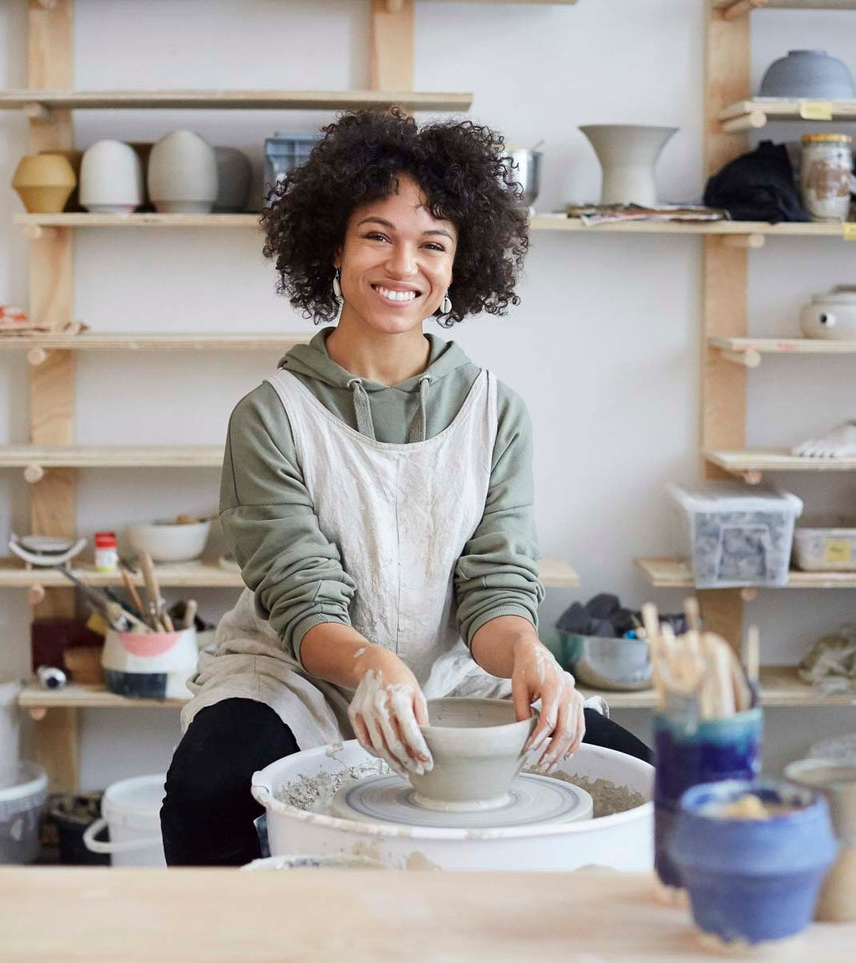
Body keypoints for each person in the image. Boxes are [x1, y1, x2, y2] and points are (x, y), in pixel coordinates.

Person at [161, 108, 651, 866]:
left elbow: (494, 586)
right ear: (333, 244)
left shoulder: (494, 410)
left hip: (461, 672)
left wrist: (525, 650)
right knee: (203, 789)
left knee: (654, 782)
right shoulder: (271, 413)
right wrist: (373, 667)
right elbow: (303, 598)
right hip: (297, 673)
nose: (403, 266)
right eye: (377, 235)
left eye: (432, 244)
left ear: (459, 265)